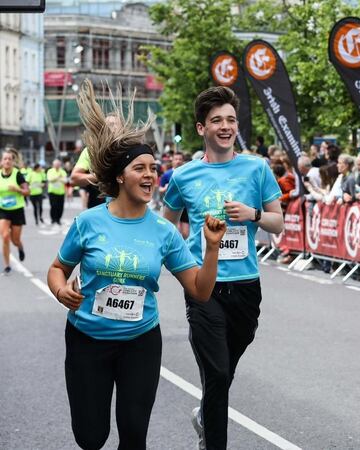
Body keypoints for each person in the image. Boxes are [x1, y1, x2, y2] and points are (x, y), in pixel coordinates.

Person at [47, 80, 227, 450]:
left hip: (140, 342)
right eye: (140, 168)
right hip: (87, 340)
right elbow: (57, 268)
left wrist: (211, 249)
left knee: (133, 435)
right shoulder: (89, 223)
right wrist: (61, 289)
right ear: (119, 176)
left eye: (153, 168)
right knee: (90, 436)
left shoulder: (163, 231)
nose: (150, 176)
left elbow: (200, 290)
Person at [161, 86, 284, 450]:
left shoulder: (256, 168)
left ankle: (205, 413)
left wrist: (254, 215)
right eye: (217, 120)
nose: (226, 126)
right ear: (202, 128)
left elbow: (279, 223)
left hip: (246, 286)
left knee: (223, 372)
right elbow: (166, 226)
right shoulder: (184, 176)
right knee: (215, 371)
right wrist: (185, 261)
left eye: (230, 119)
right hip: (204, 284)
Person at [72, 115, 122, 210]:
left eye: (116, 124)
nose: (113, 127)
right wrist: (100, 175)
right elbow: (74, 178)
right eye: (110, 124)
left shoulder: (130, 150)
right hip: (98, 211)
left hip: (123, 211)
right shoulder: (91, 151)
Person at [1, 148, 29, 274]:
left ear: (13, 162)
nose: (7, 161)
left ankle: (20, 246)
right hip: (3, 210)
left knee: (14, 240)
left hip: (17, 210)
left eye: (9, 159)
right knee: (5, 236)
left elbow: (27, 192)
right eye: (5, 159)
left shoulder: (18, 175)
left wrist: (17, 189)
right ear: (1, 162)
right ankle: (7, 265)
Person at [47, 159, 68, 226]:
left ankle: (58, 219)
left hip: (61, 192)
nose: (57, 166)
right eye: (56, 164)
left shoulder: (63, 171)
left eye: (58, 164)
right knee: (53, 206)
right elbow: (50, 179)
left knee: (60, 207)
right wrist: (58, 177)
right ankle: (53, 219)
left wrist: (56, 178)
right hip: (52, 192)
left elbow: (65, 180)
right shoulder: (50, 171)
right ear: (53, 165)